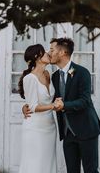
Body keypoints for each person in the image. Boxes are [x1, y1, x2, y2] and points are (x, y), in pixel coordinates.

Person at [23, 37, 100, 173]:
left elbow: (85, 101)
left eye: (52, 49)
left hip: (86, 129)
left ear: (62, 53)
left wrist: (64, 105)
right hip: (67, 133)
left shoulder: (82, 72)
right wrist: (26, 106)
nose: (49, 53)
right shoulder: (53, 76)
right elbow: (45, 98)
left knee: (91, 170)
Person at [17, 44, 59, 173]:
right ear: (37, 57)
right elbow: (33, 106)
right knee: (34, 164)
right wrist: (52, 106)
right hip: (35, 128)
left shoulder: (48, 74)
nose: (48, 53)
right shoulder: (29, 78)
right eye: (44, 52)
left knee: (48, 163)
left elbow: (50, 97)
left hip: (50, 126)